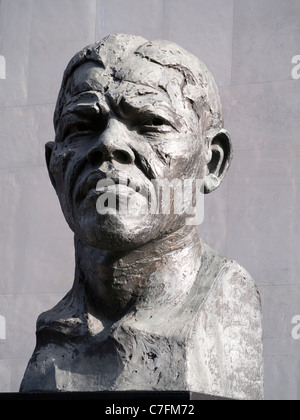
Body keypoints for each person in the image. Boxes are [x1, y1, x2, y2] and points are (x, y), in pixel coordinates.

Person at [20, 34, 263, 399]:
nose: (109, 144)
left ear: (211, 163)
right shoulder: (53, 334)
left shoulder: (225, 310)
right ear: (53, 166)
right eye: (82, 126)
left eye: (150, 123)